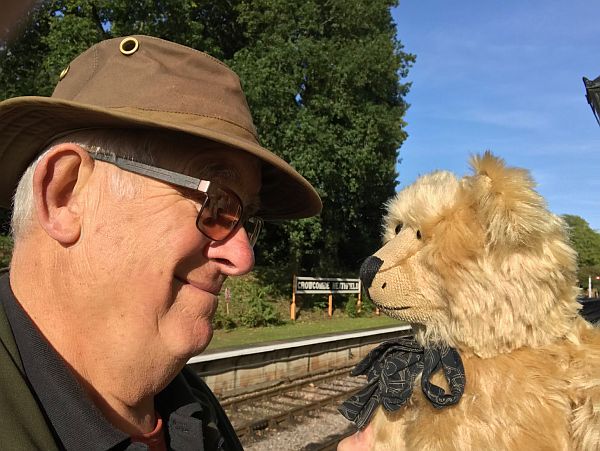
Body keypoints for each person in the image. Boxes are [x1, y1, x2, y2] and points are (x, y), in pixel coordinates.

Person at [0, 35, 321, 450]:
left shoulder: (190, 406)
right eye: (217, 203)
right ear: (66, 195)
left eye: (247, 219)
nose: (243, 257)